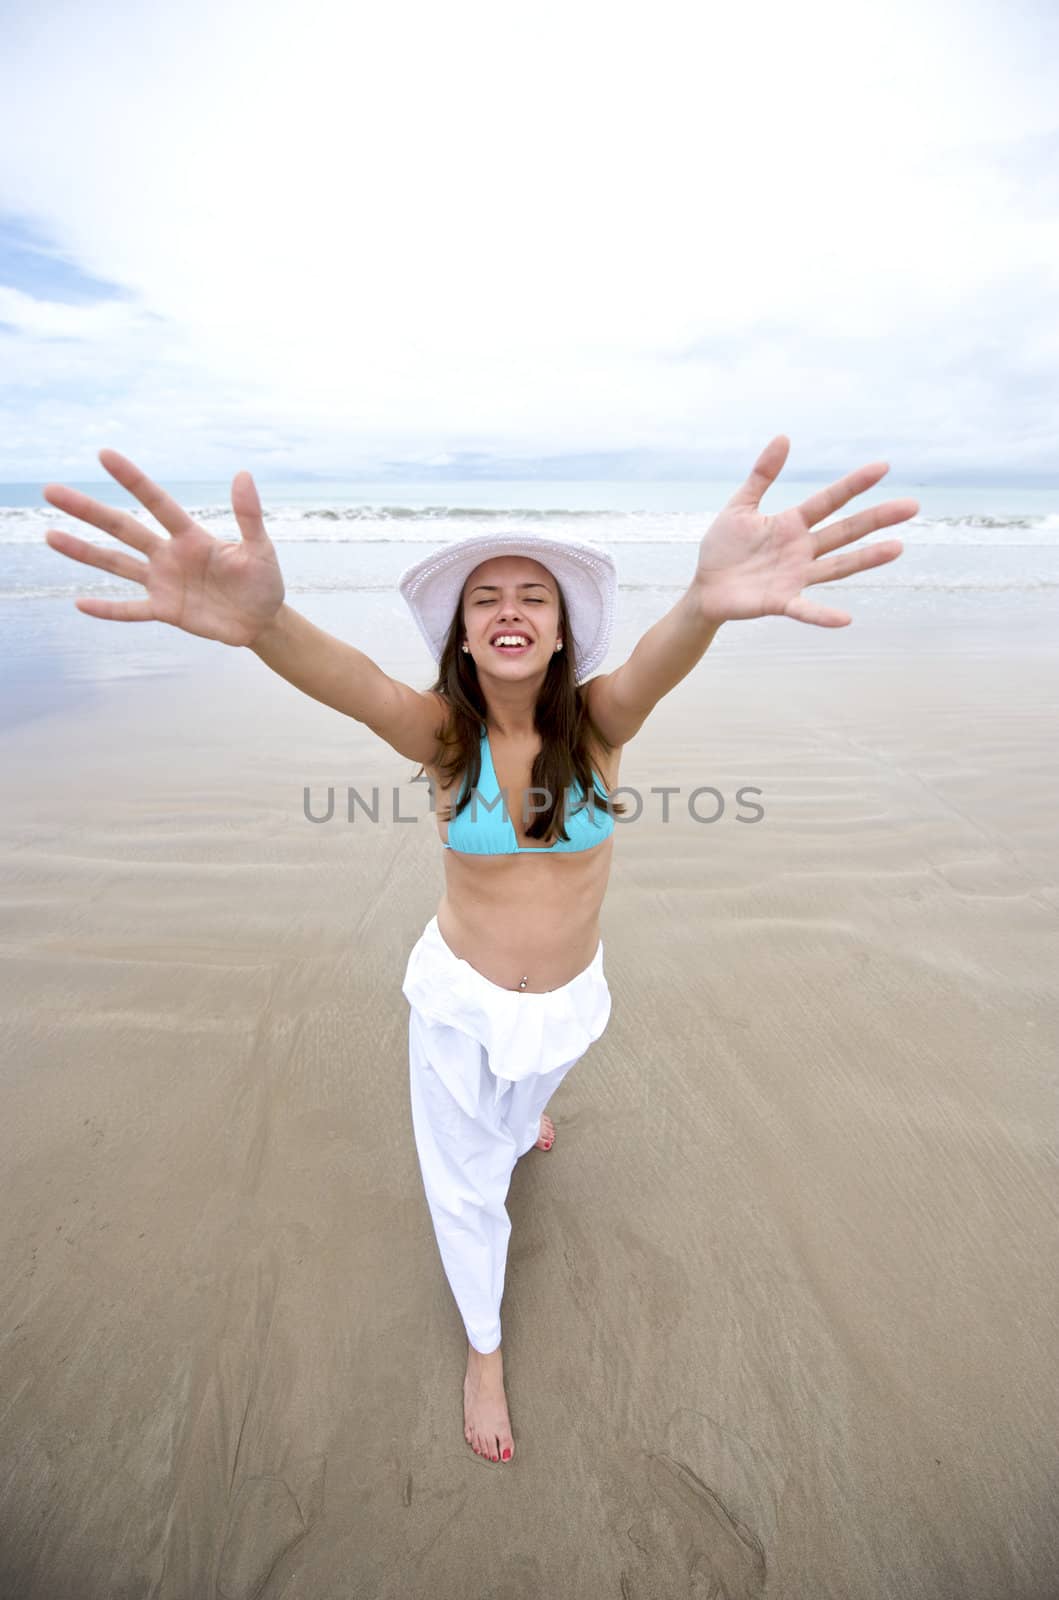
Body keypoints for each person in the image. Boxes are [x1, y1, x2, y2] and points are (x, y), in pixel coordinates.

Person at [41, 434, 918, 1467]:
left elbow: (660, 659)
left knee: (530, 1095)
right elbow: (352, 679)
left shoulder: (597, 726)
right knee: (466, 1185)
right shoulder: (442, 739)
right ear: (462, 637)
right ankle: (486, 1349)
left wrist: (703, 602)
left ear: (562, 633)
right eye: (485, 597)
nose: (509, 608)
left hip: (566, 1006)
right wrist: (266, 623)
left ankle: (526, 1106)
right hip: (460, 1006)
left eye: (533, 596)